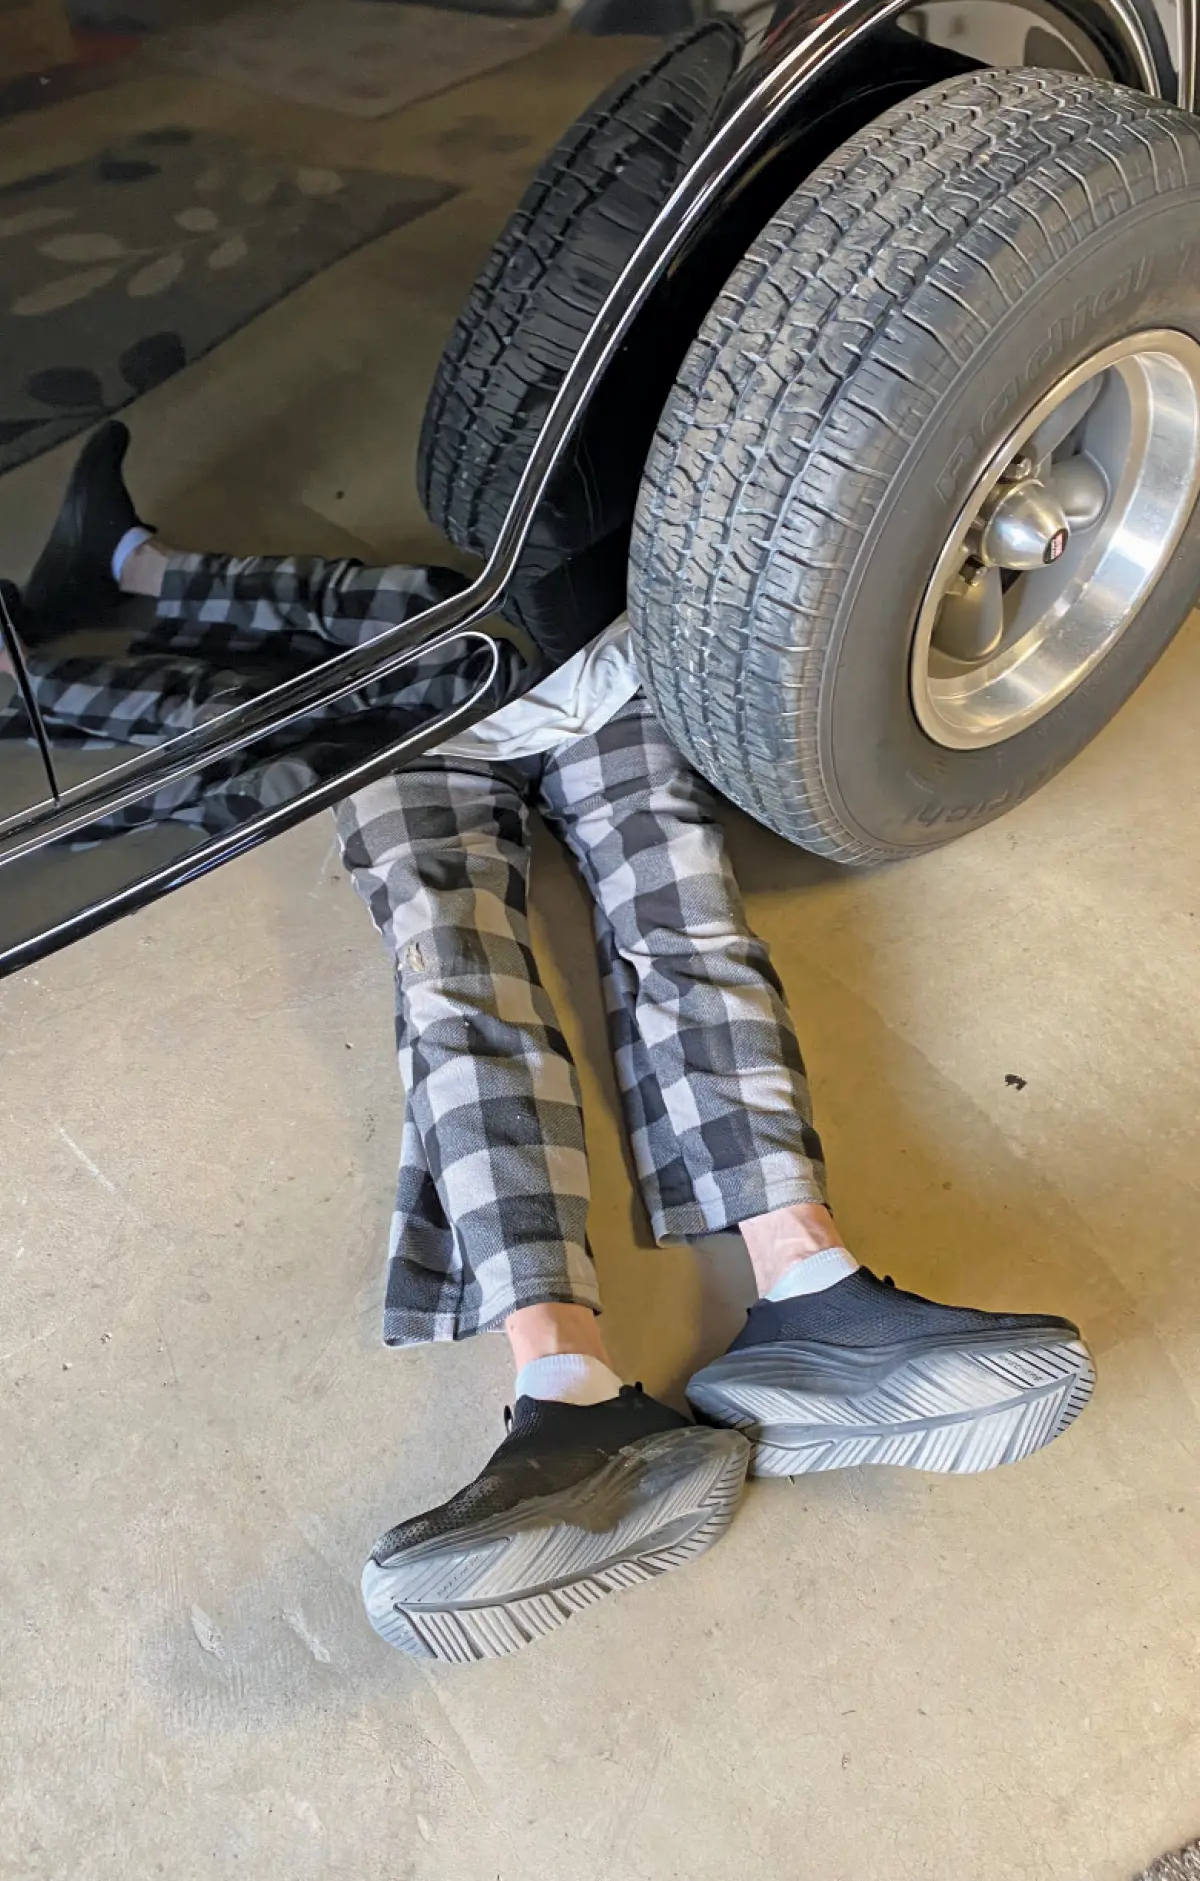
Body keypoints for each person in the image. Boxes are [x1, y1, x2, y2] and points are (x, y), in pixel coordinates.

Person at [4, 422, 1096, 1663]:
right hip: (411, 737)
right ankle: (573, 1394)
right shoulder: (402, 620)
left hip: (592, 683)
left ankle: (808, 1301)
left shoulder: (595, 584)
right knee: (459, 975)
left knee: (675, 923)